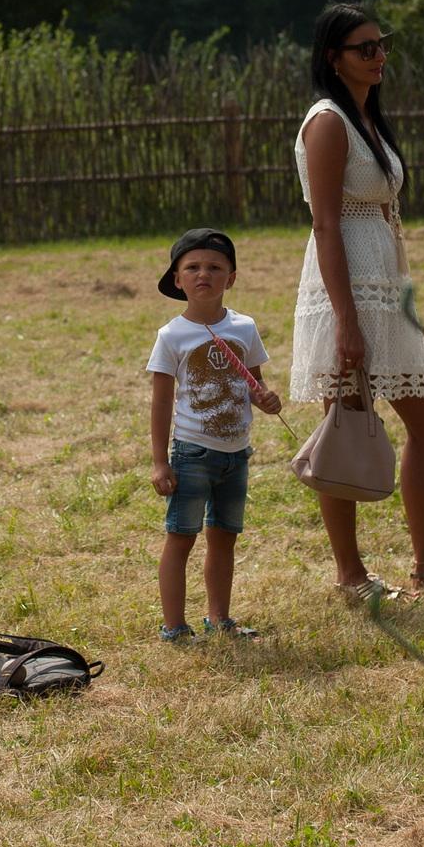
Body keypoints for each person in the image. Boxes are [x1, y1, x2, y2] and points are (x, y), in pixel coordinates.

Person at [290, 3, 424, 605]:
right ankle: (350, 575)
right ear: (334, 58)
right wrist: (346, 322)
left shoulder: (365, 117)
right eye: (365, 48)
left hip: (382, 288)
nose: (379, 56)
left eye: (382, 45)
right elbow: (326, 225)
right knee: (345, 424)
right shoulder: (327, 121)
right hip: (347, 292)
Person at [147, 228, 284, 641]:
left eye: (214, 267)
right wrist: (160, 461)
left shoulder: (244, 327)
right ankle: (174, 626)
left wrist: (266, 399)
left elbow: (253, 383)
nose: (203, 274)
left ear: (231, 278)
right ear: (177, 280)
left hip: (236, 454)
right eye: (192, 267)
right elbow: (161, 403)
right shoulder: (171, 336)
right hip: (192, 454)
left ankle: (220, 618)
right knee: (181, 539)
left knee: (224, 537)